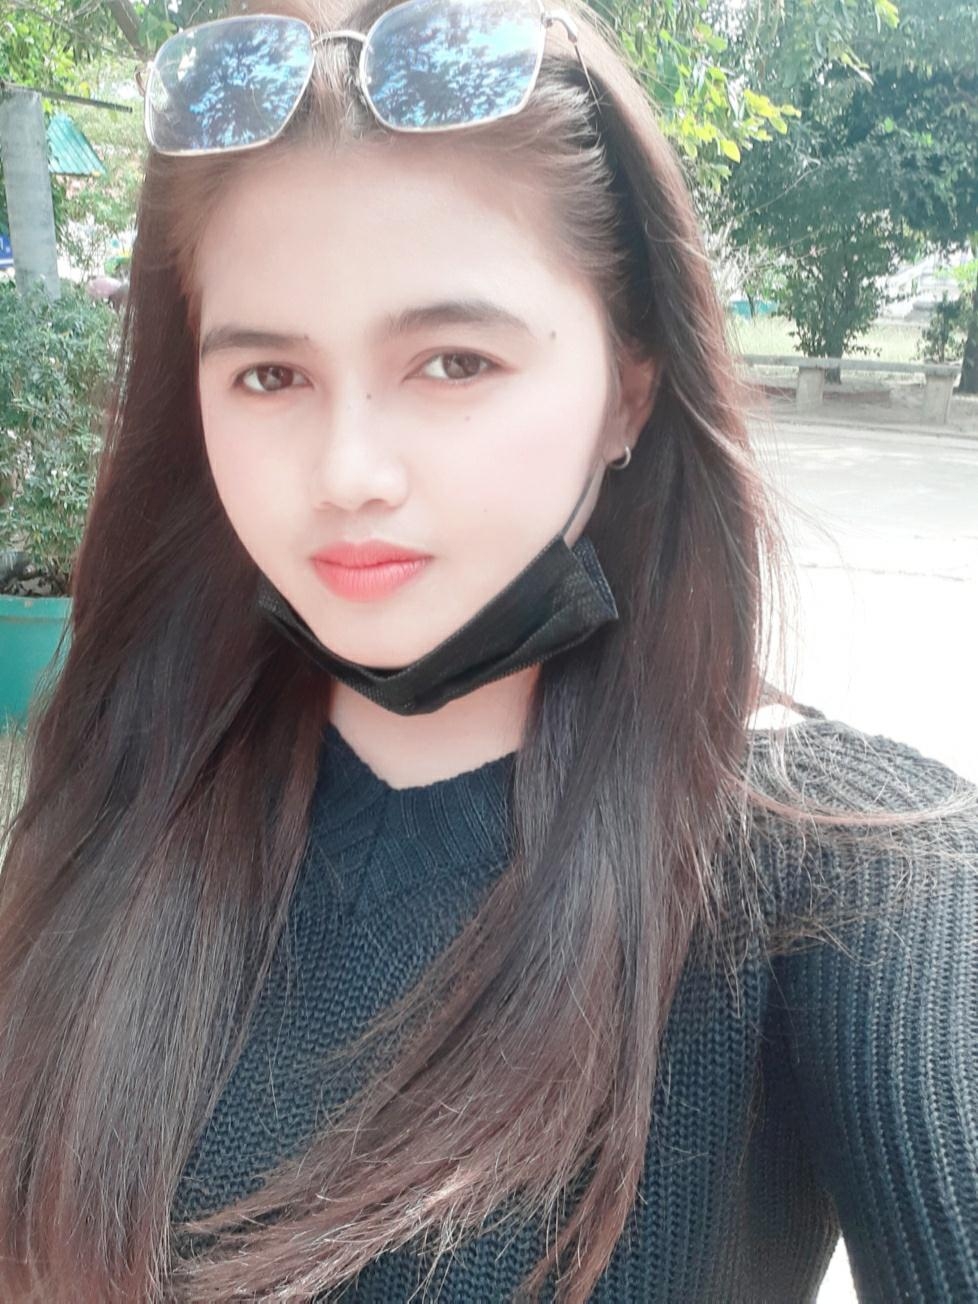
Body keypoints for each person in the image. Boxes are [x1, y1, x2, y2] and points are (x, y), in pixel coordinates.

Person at [0, 1, 975, 1300]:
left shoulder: (857, 871)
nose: (348, 472)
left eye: (453, 362)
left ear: (629, 391)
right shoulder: (132, 783)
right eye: (270, 377)